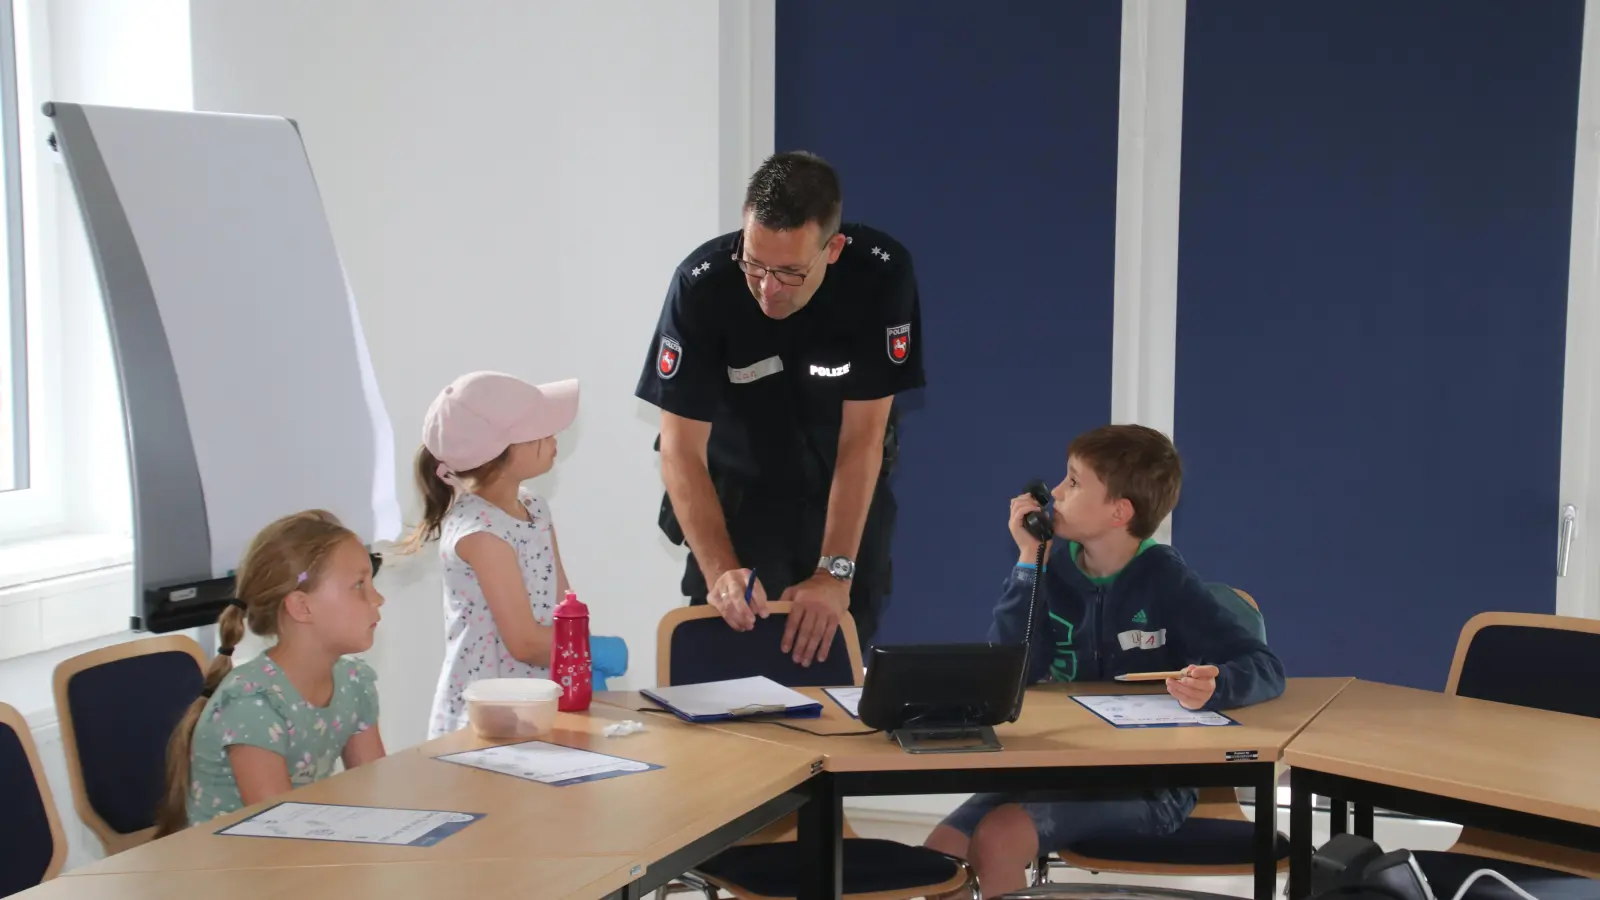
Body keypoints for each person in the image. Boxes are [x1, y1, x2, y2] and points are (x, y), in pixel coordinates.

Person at [923, 424, 1286, 898]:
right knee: (942, 852)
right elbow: (1006, 673)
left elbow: (1263, 666)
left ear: (1119, 512)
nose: (1056, 492)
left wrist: (1217, 685)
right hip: (1057, 771)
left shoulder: (1166, 581)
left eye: (1074, 482)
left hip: (1150, 786)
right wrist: (1029, 562)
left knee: (999, 838)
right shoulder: (1052, 569)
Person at [634, 150, 924, 664]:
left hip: (842, 496)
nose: (767, 288)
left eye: (790, 271)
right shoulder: (702, 286)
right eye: (755, 263)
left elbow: (863, 440)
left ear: (832, 249)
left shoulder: (879, 276)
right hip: (739, 503)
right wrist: (721, 571)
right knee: (732, 676)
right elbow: (680, 450)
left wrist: (833, 572)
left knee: (835, 673)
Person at [154, 510, 387, 836]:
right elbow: (281, 832)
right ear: (302, 607)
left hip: (302, 852)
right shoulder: (252, 703)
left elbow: (377, 796)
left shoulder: (354, 682)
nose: (378, 598)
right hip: (238, 862)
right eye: (359, 585)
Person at [406, 371, 581, 739]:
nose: (554, 436)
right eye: (541, 428)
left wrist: (576, 640)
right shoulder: (481, 533)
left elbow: (565, 609)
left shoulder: (535, 508)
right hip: (483, 725)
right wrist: (585, 649)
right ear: (502, 450)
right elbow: (525, 643)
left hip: (535, 707)